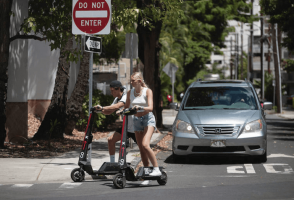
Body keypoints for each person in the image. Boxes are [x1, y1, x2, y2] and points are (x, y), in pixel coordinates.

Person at [124, 72, 161, 185]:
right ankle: (146, 176)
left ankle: (156, 169)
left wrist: (140, 107)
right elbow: (126, 106)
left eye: (133, 81)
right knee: (141, 149)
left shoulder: (147, 91)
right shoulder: (130, 92)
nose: (131, 82)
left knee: (145, 145)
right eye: (131, 81)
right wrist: (121, 111)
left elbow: (150, 108)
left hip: (148, 119)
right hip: (136, 121)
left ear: (139, 81)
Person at [94, 80, 136, 163]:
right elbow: (109, 111)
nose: (111, 93)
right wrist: (99, 110)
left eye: (113, 91)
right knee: (110, 140)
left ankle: (151, 166)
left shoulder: (125, 97)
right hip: (126, 128)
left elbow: (118, 106)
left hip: (136, 128)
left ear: (118, 89)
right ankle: (112, 163)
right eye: (111, 91)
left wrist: (102, 108)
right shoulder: (117, 99)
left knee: (144, 147)